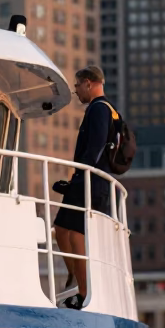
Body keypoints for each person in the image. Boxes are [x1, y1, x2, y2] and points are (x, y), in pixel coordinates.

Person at [53, 65, 117, 310]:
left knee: (77, 233)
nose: (76, 90)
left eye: (78, 85)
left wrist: (83, 176)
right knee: (61, 228)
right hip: (83, 180)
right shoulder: (100, 109)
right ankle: (75, 275)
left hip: (91, 181)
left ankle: (83, 292)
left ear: (89, 83)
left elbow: (97, 147)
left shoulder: (100, 109)